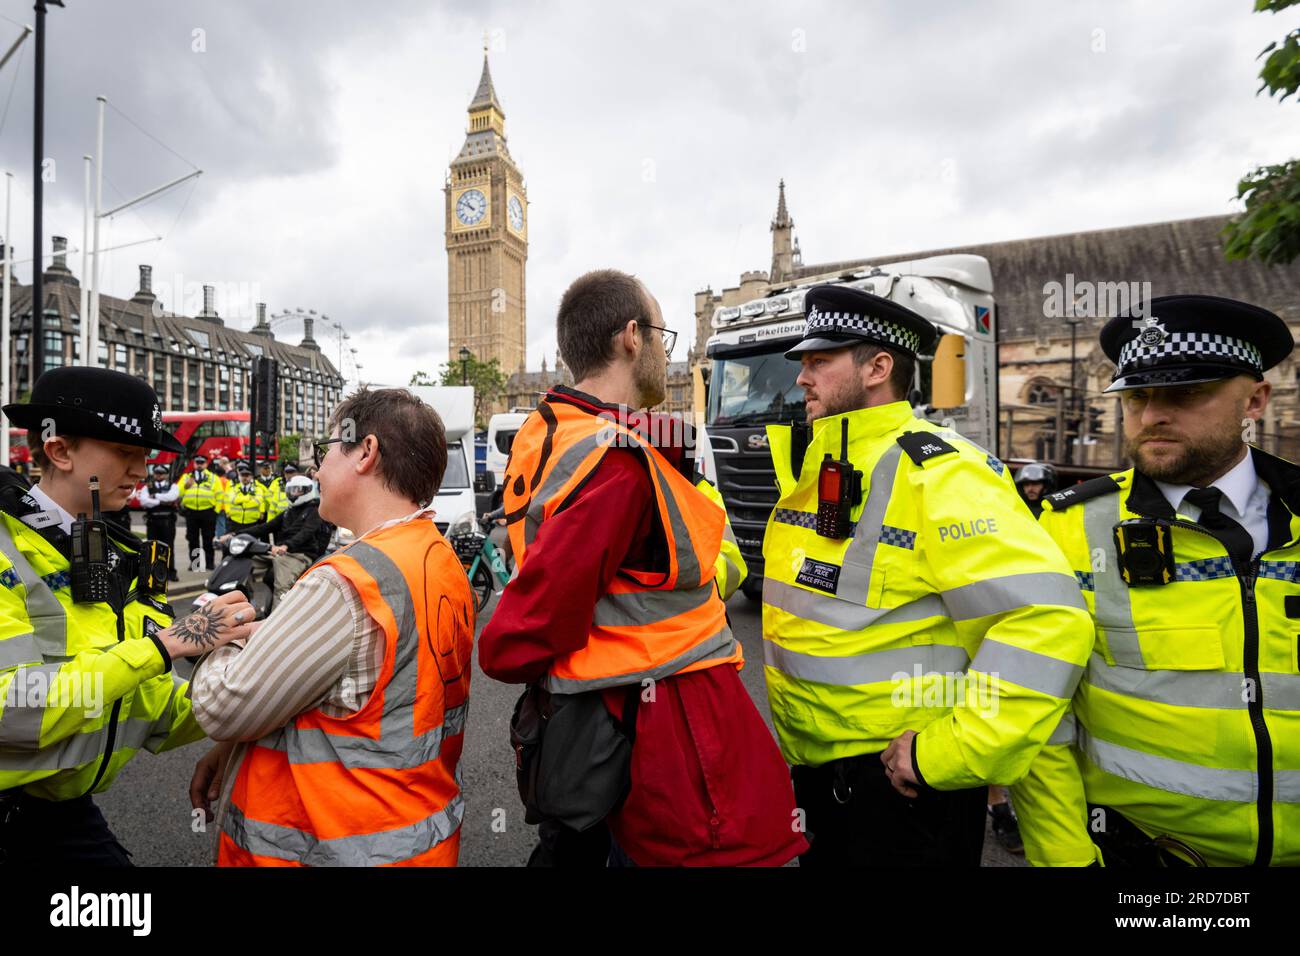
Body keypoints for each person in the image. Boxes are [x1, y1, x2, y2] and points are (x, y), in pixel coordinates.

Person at [479, 269, 806, 867]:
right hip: (651, 740)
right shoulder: (618, 457)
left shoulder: (553, 432)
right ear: (633, 336)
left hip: (602, 725)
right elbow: (534, 622)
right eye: (663, 335)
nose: (666, 351)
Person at [762, 284, 1094, 867]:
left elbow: (1047, 622)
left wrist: (949, 753)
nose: (801, 378)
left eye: (818, 361)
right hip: (822, 780)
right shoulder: (819, 464)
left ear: (878, 367)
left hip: (903, 792)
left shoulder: (941, 472)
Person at [1012, 295, 1300, 867]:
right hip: (1143, 859)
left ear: (1257, 400)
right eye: (1137, 396)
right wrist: (1066, 859)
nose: (1151, 416)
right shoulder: (1066, 530)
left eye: (1185, 394)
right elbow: (1039, 715)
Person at [187, 387, 475, 867]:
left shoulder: (345, 582)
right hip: (415, 838)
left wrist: (227, 635)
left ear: (366, 452)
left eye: (325, 452)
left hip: (327, 848)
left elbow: (222, 706)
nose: (317, 469)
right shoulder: (435, 556)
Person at [0, 367, 254, 866]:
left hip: (60, 812)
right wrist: (164, 646)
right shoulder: (8, 551)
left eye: (146, 454)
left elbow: (147, 708)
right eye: (125, 452)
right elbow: (12, 709)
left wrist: (247, 697)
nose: (143, 470)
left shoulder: (115, 556)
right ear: (60, 450)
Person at [218, 475, 331, 602]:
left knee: (282, 588)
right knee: (241, 562)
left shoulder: (315, 511)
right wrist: (235, 534)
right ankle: (248, 603)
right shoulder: (289, 511)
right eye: (292, 490)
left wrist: (287, 545)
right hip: (279, 553)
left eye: (298, 490)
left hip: (299, 555)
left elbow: (306, 532)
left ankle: (279, 620)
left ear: (307, 491)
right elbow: (265, 527)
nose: (294, 493)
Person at [177, 453, 221, 573]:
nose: (200, 465)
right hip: (191, 512)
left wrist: (215, 511)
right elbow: (178, 493)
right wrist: (185, 487)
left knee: (208, 539)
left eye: (202, 463)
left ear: (206, 464)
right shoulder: (186, 477)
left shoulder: (213, 477)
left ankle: (210, 563)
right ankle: (195, 564)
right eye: (198, 463)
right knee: (193, 539)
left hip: (208, 512)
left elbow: (220, 495)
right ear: (194, 464)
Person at [139, 462, 180, 582]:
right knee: (152, 548)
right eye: (157, 473)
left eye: (162, 473)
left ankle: (171, 572)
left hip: (167, 521)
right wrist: (161, 500)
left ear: (166, 475)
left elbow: (172, 497)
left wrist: (155, 497)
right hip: (153, 521)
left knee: (169, 548)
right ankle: (153, 573)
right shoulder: (148, 486)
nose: (159, 475)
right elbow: (143, 501)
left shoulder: (172, 485)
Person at [221, 463, 266, 538]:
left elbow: (258, 501)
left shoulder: (257, 488)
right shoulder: (233, 487)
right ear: (239, 476)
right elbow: (232, 499)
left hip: (252, 521)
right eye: (242, 475)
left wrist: (261, 511)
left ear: (251, 476)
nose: (245, 477)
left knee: (251, 545)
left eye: (247, 475)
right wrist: (249, 498)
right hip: (235, 521)